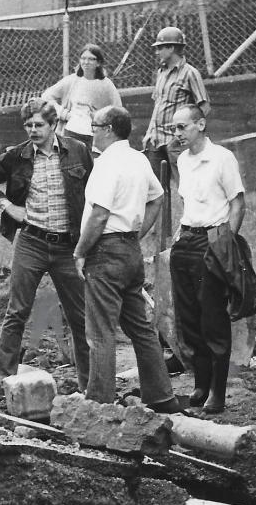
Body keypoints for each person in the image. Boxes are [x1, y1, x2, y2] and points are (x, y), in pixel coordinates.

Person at [0, 97, 92, 391]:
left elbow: (94, 191)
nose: (32, 130)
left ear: (54, 125)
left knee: (80, 316)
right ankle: (1, 383)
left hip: (68, 246)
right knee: (17, 312)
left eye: (39, 124)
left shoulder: (77, 152)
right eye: (28, 125)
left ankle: (90, 385)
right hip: (32, 242)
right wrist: (6, 207)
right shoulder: (17, 156)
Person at [73, 105, 181, 413]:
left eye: (95, 126)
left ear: (108, 129)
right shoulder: (137, 158)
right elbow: (157, 197)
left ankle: (100, 401)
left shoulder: (107, 164)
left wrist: (80, 252)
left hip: (105, 251)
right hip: (129, 250)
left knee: (101, 330)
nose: (92, 131)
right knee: (140, 328)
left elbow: (99, 214)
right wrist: (137, 232)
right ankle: (162, 396)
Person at [169, 104, 253, 415]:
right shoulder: (182, 160)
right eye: (174, 128)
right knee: (189, 318)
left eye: (183, 127)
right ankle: (201, 383)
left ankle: (218, 391)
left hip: (212, 240)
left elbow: (238, 204)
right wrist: (178, 238)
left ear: (201, 124)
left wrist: (224, 247)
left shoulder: (222, 158)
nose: (177, 133)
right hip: (187, 241)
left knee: (213, 318)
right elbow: (185, 203)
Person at [142, 26, 209, 182]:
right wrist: (149, 132)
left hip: (177, 142)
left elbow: (204, 107)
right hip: (156, 140)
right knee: (157, 191)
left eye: (160, 47)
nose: (156, 52)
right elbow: (158, 105)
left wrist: (188, 133)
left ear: (171, 48)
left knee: (187, 187)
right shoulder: (161, 72)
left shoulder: (190, 73)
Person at [41, 44, 121, 153]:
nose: (86, 62)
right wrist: (63, 113)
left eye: (91, 59)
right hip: (72, 130)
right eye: (83, 58)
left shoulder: (106, 85)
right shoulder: (72, 80)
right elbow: (46, 96)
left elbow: (118, 110)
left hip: (95, 134)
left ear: (98, 63)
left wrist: (101, 115)